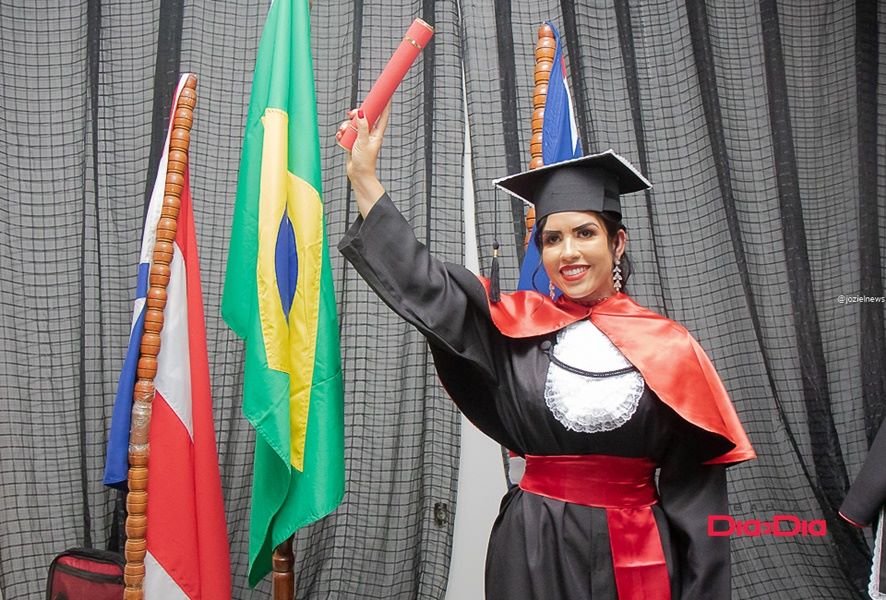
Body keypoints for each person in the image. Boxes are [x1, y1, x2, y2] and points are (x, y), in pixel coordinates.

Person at [336, 105, 755, 600]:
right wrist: (364, 178)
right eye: (552, 239)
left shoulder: (670, 347)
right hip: (531, 549)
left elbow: (700, 505)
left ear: (617, 243)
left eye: (585, 233)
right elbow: (426, 285)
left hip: (637, 551)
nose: (568, 252)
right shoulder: (515, 327)